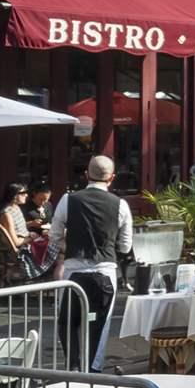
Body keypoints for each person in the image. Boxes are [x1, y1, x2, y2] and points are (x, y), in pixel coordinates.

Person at [51, 155, 133, 372]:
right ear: (112, 178)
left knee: (68, 322)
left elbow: (54, 235)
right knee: (100, 326)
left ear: (86, 175)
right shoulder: (121, 205)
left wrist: (68, 247)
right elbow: (125, 246)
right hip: (104, 271)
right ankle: (93, 370)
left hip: (73, 272)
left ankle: (74, 365)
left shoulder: (68, 200)